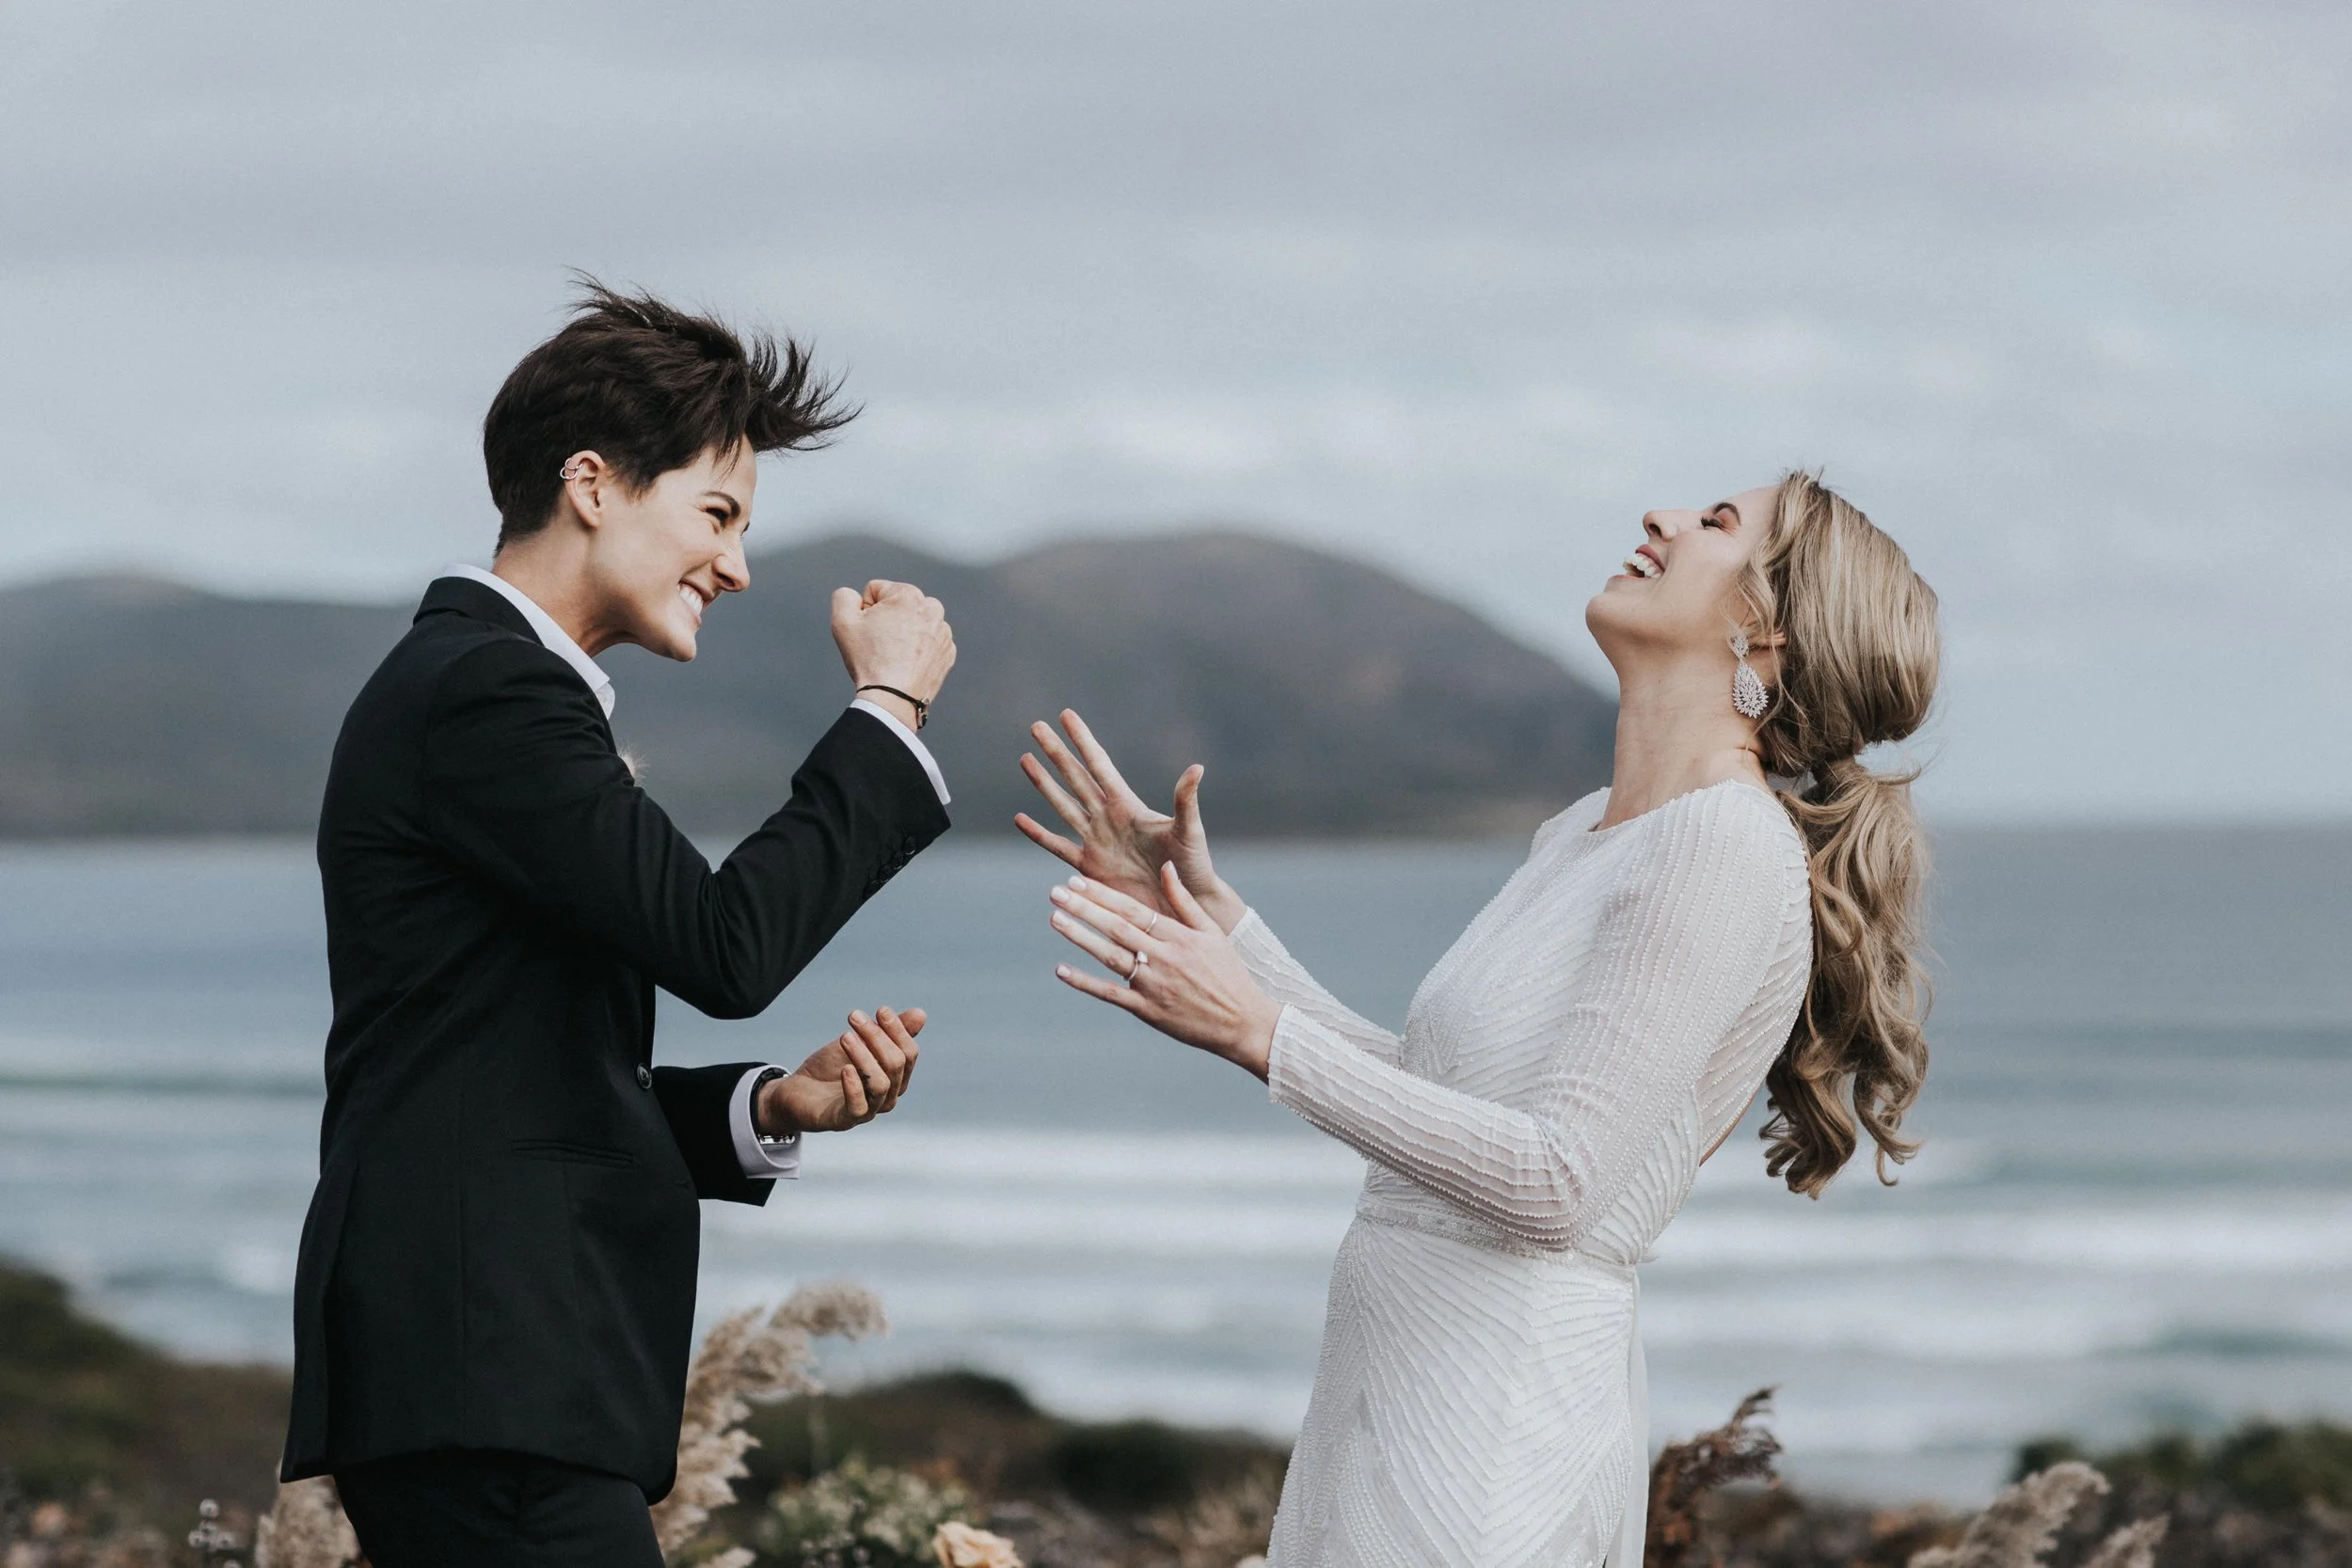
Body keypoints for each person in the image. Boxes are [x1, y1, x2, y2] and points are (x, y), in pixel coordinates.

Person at [1020, 472, 1939, 1567]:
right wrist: (1216, 923)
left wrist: (1262, 1032)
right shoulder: (1583, 834)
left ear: (1770, 635)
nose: (1661, 515)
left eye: (1716, 523)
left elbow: (1557, 1181)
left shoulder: (1721, 849)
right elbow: (1438, 1110)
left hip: (1491, 1429)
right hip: (1393, 1392)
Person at [279, 284, 960, 1568]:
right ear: (592, 483)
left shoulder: (490, 688)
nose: (737, 563)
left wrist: (768, 1108)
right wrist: (889, 708)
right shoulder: (491, 688)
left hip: (489, 1379)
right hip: (492, 1380)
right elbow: (721, 944)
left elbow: (511, 1067)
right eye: (716, 512)